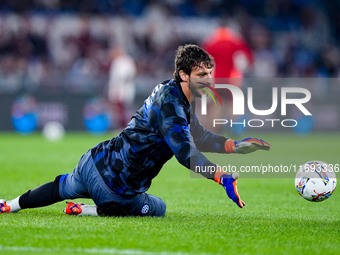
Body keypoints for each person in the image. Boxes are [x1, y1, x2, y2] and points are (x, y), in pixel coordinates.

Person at [0, 45, 270, 217]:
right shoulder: (172, 105)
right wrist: (221, 176)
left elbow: (197, 134)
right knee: (157, 208)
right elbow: (185, 151)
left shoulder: (172, 92)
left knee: (62, 186)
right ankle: (91, 210)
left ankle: (9, 205)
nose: (208, 81)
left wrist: (232, 147)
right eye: (202, 75)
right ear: (184, 75)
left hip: (93, 161)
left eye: (210, 74)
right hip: (116, 189)